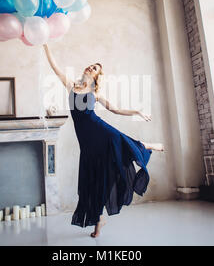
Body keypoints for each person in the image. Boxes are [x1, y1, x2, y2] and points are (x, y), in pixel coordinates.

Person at [42, 44, 164, 237]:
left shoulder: (95, 94)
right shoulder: (71, 86)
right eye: (91, 65)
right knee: (94, 180)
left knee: (121, 142)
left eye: (95, 68)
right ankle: (99, 219)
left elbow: (116, 109)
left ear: (97, 77)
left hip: (100, 131)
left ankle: (147, 145)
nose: (91, 67)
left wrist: (137, 111)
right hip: (87, 142)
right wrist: (45, 45)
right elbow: (55, 67)